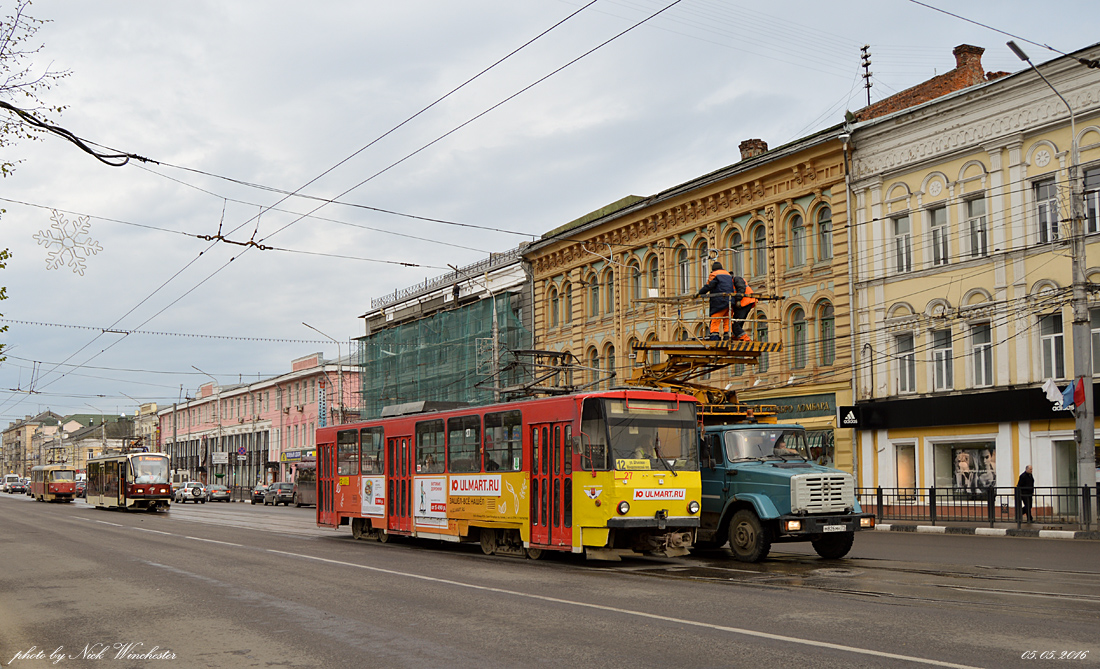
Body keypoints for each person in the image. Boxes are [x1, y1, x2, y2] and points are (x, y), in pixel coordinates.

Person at [696, 261, 756, 341]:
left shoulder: (733, 278)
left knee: (718, 320)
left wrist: (699, 293)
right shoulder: (729, 280)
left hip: (742, 302)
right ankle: (729, 336)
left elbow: (709, 286)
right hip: (733, 303)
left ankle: (746, 340)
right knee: (730, 321)